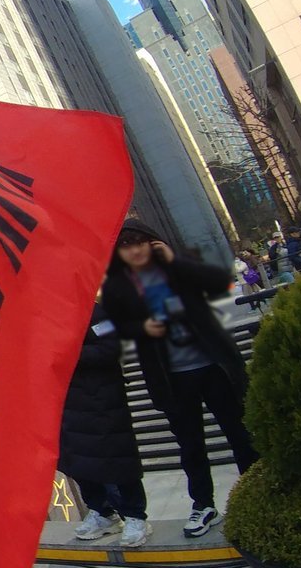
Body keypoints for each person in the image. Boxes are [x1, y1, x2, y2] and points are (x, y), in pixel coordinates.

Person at [102, 219, 259, 538]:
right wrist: (141, 328)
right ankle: (203, 504)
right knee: (191, 446)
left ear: (153, 242)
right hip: (172, 377)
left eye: (139, 242)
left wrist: (176, 261)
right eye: (126, 246)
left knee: (240, 434)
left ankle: (256, 495)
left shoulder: (179, 267)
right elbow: (117, 326)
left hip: (214, 367)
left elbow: (219, 283)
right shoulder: (119, 286)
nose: (135, 251)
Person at [60, 300, 151, 547]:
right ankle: (102, 511)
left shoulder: (94, 310)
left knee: (117, 458)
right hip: (68, 404)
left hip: (102, 400)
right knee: (77, 462)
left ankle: (135, 515)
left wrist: (69, 353)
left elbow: (111, 348)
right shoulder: (47, 317)